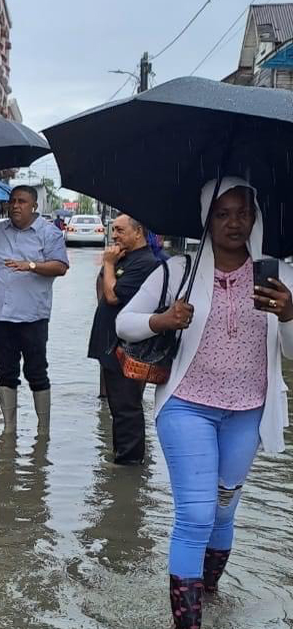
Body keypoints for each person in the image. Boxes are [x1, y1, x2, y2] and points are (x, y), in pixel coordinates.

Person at [116, 177, 293, 628]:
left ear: (256, 217)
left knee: (222, 511)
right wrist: (163, 319)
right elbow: (124, 323)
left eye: (243, 212)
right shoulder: (178, 271)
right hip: (187, 405)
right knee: (195, 515)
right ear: (206, 220)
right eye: (222, 213)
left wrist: (289, 315)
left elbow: (290, 353)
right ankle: (188, 622)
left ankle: (206, 596)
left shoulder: (281, 275)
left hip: (250, 410)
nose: (234, 222)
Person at [0, 185, 69, 429]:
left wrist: (31, 265)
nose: (15, 206)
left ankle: (43, 430)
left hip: (33, 316)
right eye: (12, 201)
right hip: (1, 315)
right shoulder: (0, 231)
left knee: (36, 372)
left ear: (34, 206)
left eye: (21, 201)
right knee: (5, 373)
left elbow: (61, 266)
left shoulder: (48, 233)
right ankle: (9, 429)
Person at [88, 213, 159, 465]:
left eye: (120, 230)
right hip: (109, 342)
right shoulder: (123, 257)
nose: (114, 235)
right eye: (113, 230)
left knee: (127, 406)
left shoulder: (145, 262)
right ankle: (121, 458)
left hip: (127, 348)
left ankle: (129, 465)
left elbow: (112, 296)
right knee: (118, 407)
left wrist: (108, 265)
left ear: (138, 232)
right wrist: (109, 264)